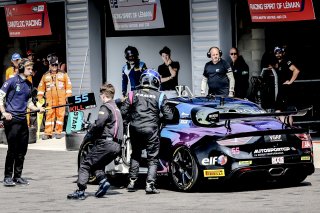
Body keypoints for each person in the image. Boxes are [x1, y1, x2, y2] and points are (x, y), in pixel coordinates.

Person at [121, 69, 174, 194]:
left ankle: (132, 182)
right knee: (152, 158)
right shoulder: (160, 95)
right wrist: (158, 119)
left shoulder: (132, 94)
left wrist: (131, 118)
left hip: (134, 128)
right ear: (155, 81)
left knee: (135, 154)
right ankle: (150, 185)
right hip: (151, 129)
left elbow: (123, 112)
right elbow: (169, 116)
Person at [67, 83, 123, 200]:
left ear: (103, 95)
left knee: (85, 164)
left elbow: (99, 124)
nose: (100, 97)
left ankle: (80, 191)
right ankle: (103, 182)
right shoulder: (116, 108)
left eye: (100, 95)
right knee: (97, 164)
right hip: (117, 146)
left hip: (107, 143)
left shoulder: (105, 107)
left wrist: (90, 127)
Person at [0, 58, 45, 186]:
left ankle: (17, 176)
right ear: (21, 69)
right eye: (28, 69)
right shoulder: (11, 81)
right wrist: (4, 112)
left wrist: (38, 109)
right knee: (12, 150)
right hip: (11, 120)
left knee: (22, 150)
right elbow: (0, 97)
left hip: (22, 121)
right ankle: (7, 177)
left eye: (31, 69)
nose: (31, 71)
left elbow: (29, 103)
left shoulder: (29, 85)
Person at [37, 55, 72, 140]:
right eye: (52, 65)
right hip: (49, 100)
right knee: (49, 116)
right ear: (49, 65)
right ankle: (48, 133)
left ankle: (58, 132)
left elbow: (69, 86)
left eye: (56, 65)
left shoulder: (64, 74)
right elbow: (41, 88)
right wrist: (40, 98)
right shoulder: (45, 75)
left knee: (60, 116)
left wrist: (68, 97)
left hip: (61, 99)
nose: (54, 67)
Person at [273, 46, 300, 125]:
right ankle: (288, 129)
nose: (278, 54)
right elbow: (277, 67)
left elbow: (296, 70)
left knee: (280, 111)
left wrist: (290, 81)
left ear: (283, 53)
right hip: (282, 89)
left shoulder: (286, 61)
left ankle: (287, 128)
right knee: (284, 111)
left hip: (286, 89)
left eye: (279, 52)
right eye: (276, 53)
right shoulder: (279, 63)